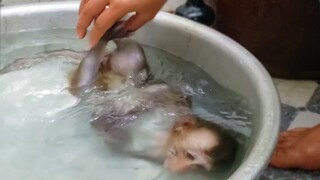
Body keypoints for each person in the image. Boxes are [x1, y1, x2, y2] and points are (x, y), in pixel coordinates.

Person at [76, 0, 320, 171]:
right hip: (128, 85)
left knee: (84, 90)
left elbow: (115, 139)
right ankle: (109, 41)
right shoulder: (173, 114)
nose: (186, 164)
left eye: (197, 166)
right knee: (133, 60)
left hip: (105, 98)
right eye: (191, 155)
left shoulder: (154, 150)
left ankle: (103, 46)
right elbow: (158, 93)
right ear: (185, 124)